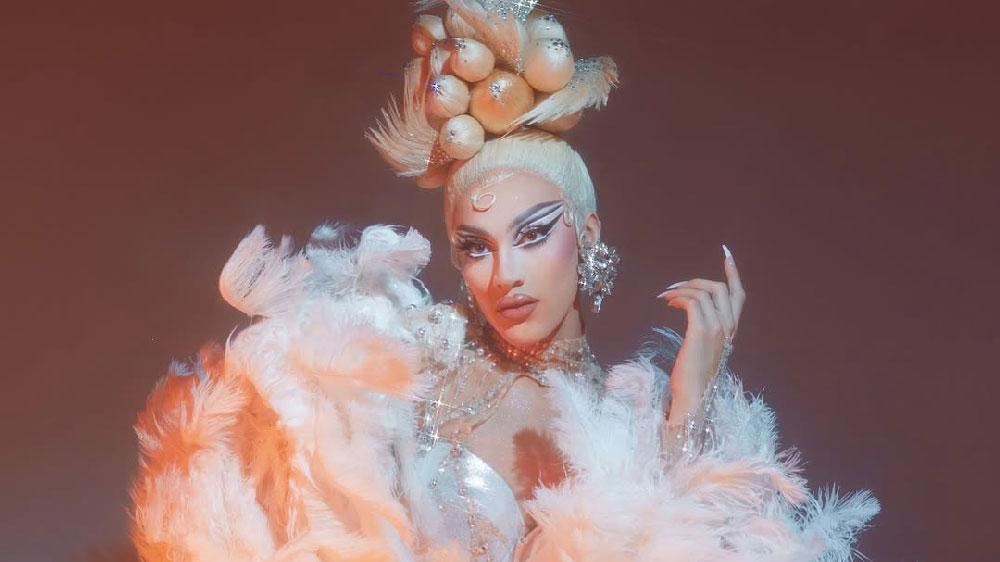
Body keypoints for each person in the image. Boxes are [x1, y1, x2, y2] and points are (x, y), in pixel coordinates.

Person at [129, 2, 878, 561]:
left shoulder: (634, 430)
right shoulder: (404, 367)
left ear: (587, 234)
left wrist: (690, 402)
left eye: (533, 234)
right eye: (475, 248)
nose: (505, 275)